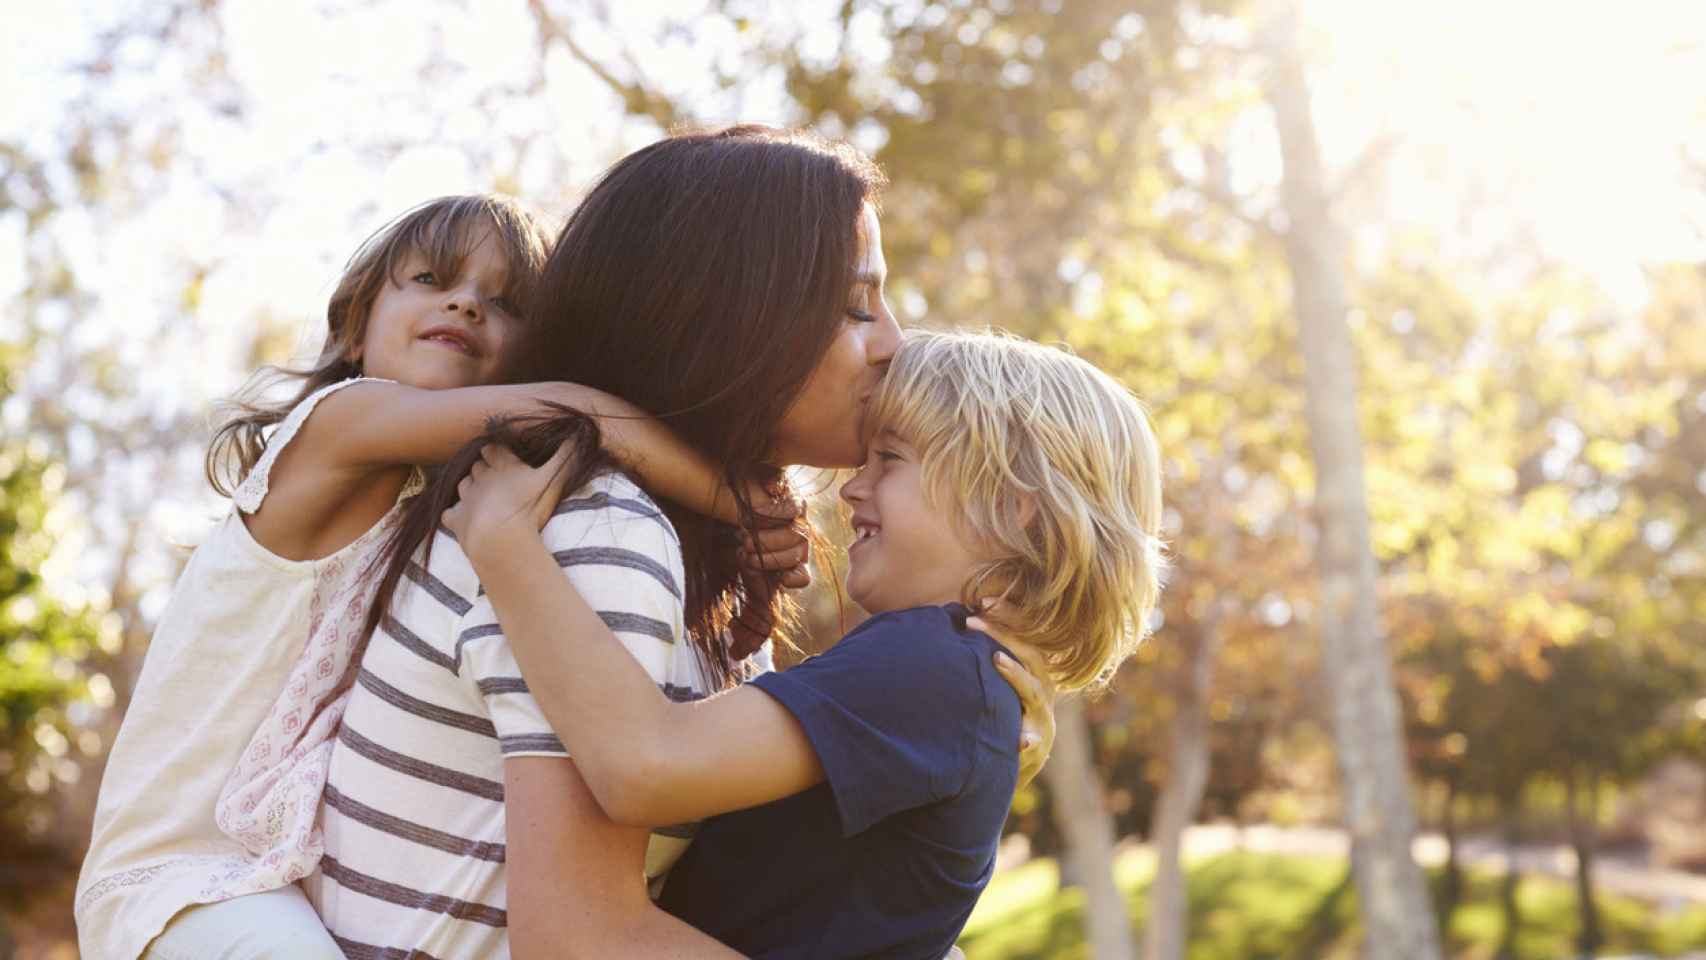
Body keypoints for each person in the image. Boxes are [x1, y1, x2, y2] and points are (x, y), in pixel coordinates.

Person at [307, 126, 1057, 958]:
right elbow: (580, 941)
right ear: (727, 321)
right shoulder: (598, 532)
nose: (893, 343)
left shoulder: (687, 553)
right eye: (854, 306)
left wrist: (946, 749)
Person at [74, 194, 763, 960]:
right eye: (433, 279)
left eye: (504, 304)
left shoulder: (443, 503)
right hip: (184, 876)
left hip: (279, 869)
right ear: (352, 327)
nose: (466, 303)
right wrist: (745, 511)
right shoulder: (336, 426)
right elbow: (579, 414)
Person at [453, 328, 1166, 958]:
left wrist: (504, 543)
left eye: (891, 459)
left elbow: (644, 763)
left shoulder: (932, 663)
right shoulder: (958, 678)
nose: (854, 488)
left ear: (1012, 507)